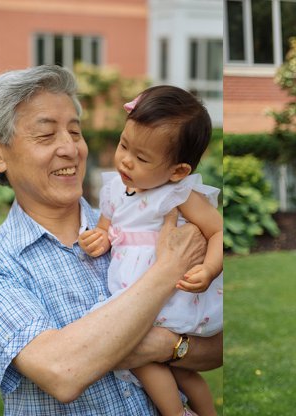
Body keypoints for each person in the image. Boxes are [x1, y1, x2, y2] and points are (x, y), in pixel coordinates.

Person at [0, 65, 221, 414]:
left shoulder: (139, 223)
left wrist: (168, 346)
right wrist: (168, 269)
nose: (70, 148)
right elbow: (62, 371)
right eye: (46, 136)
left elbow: (218, 347)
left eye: (75, 133)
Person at [78, 85, 223, 416]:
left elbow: (217, 231)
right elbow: (105, 229)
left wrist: (210, 269)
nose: (126, 160)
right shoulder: (115, 187)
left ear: (178, 171)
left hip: (168, 296)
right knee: (150, 361)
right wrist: (98, 239)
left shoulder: (178, 194)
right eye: (123, 145)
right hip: (132, 291)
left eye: (142, 157)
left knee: (170, 366)